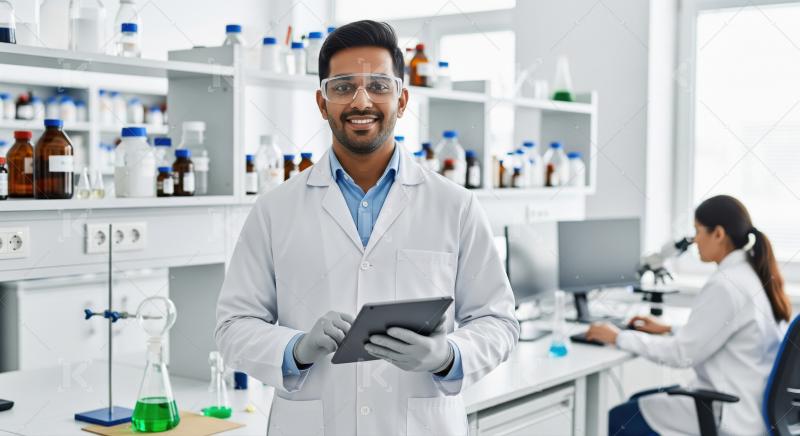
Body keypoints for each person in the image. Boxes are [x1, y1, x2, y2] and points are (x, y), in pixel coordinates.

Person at [215, 20, 519, 436]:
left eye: (378, 85)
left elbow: (499, 321)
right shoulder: (274, 208)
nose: (362, 101)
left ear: (402, 99)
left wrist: (446, 355)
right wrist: (296, 348)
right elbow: (234, 326)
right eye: (342, 87)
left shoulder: (455, 205)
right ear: (322, 103)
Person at [587, 195, 791, 435]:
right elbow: (724, 336)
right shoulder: (750, 274)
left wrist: (618, 337)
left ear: (718, 234)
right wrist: (668, 330)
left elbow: (681, 355)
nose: (694, 241)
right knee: (637, 400)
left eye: (698, 231)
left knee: (615, 419)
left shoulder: (726, 285)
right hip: (749, 406)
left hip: (727, 411)